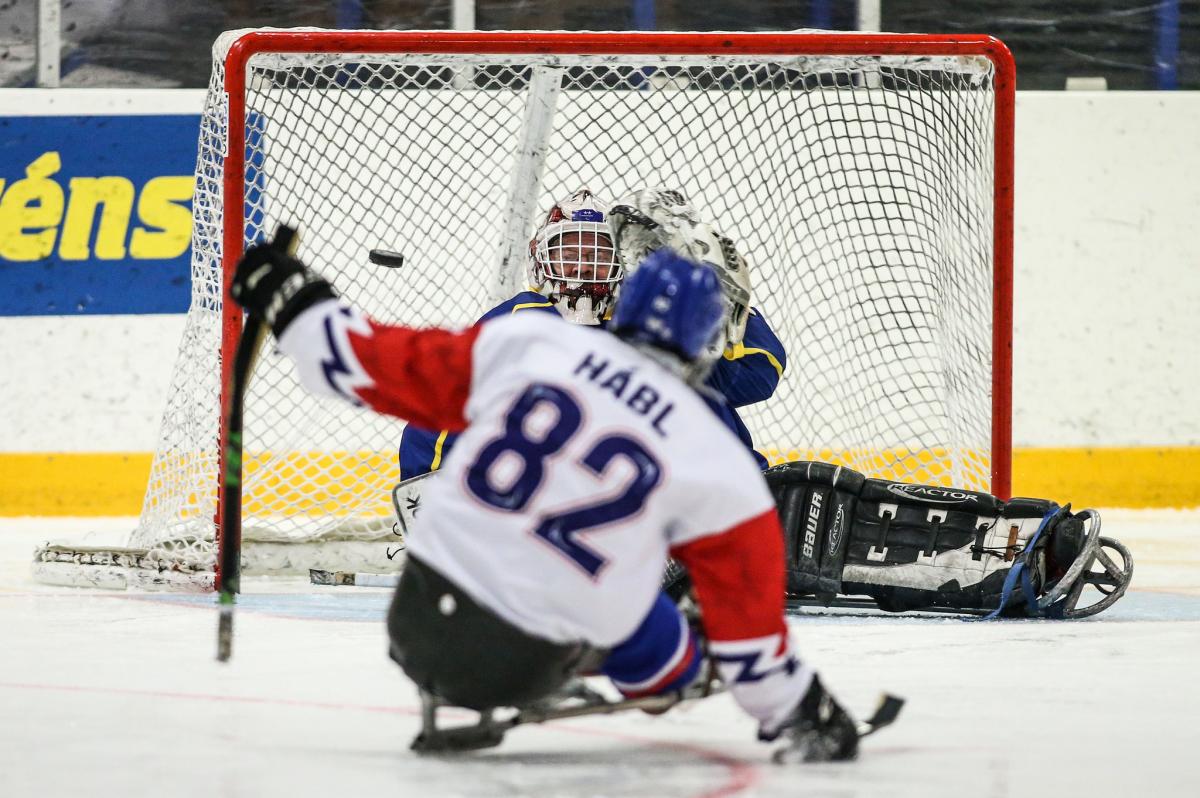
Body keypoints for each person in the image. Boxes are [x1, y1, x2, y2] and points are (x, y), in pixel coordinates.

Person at [229, 233, 860, 762]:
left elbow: (359, 363)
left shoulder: (530, 344)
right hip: (526, 666)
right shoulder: (716, 459)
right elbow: (751, 640)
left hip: (414, 625)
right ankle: (674, 670)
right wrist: (806, 711)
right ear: (707, 342)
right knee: (656, 620)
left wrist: (294, 295)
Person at [398, 188, 787, 480]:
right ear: (540, 260)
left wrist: (724, 308)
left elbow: (756, 376)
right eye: (569, 252)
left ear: (621, 261)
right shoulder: (520, 321)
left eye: (597, 253)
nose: (583, 265)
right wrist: (425, 489)